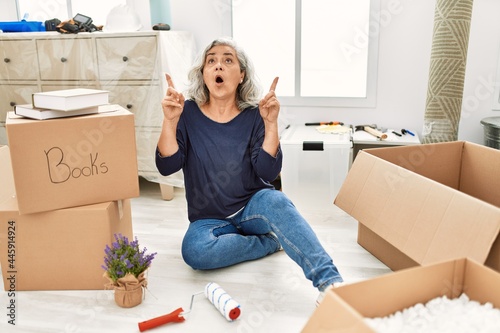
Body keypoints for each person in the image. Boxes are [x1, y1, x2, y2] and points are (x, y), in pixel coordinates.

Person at [155, 37, 344, 303]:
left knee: (276, 200)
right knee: (194, 251)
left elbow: (268, 172)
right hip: (208, 219)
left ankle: (331, 284)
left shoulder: (256, 114)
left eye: (227, 60)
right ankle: (269, 242)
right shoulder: (185, 113)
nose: (218, 65)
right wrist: (169, 121)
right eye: (211, 61)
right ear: (204, 74)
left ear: (241, 74)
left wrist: (271, 124)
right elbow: (167, 166)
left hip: (253, 208)